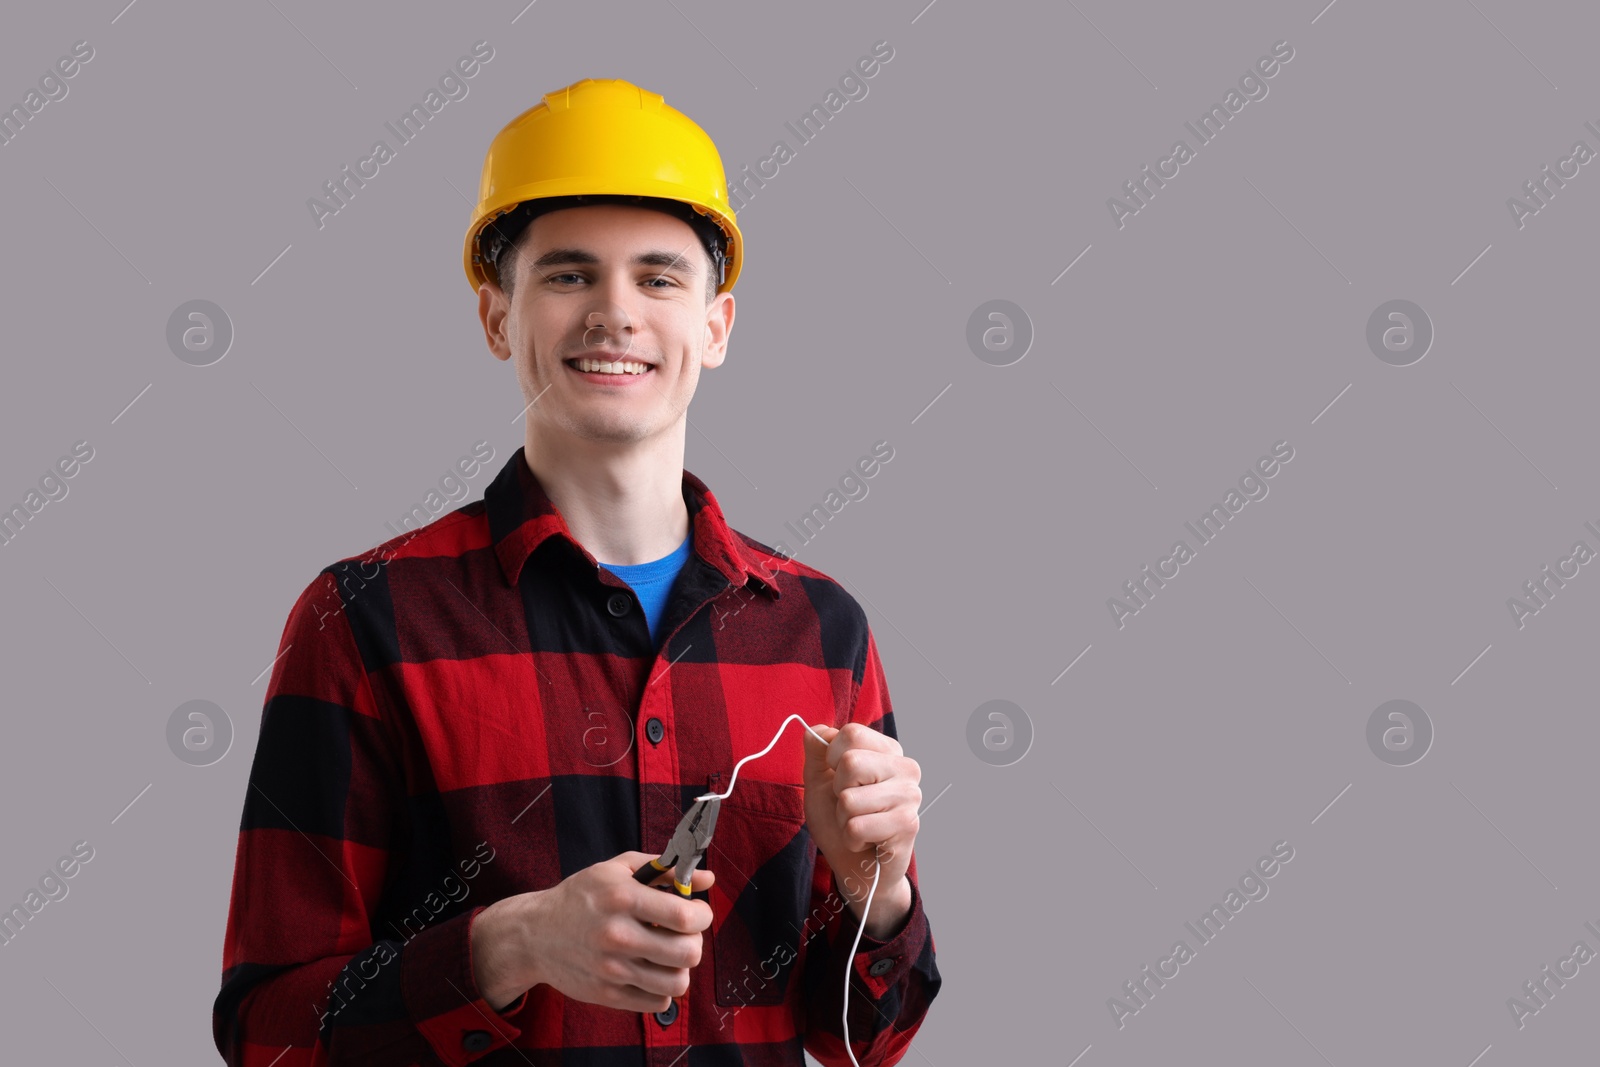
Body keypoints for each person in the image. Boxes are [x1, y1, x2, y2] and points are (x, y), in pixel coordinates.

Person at [212, 77, 940, 1066]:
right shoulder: (365, 619)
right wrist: (508, 947)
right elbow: (269, 1036)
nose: (614, 312)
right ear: (497, 318)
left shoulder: (820, 630)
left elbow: (865, 1041)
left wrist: (877, 892)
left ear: (716, 325)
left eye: (658, 276)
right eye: (566, 275)